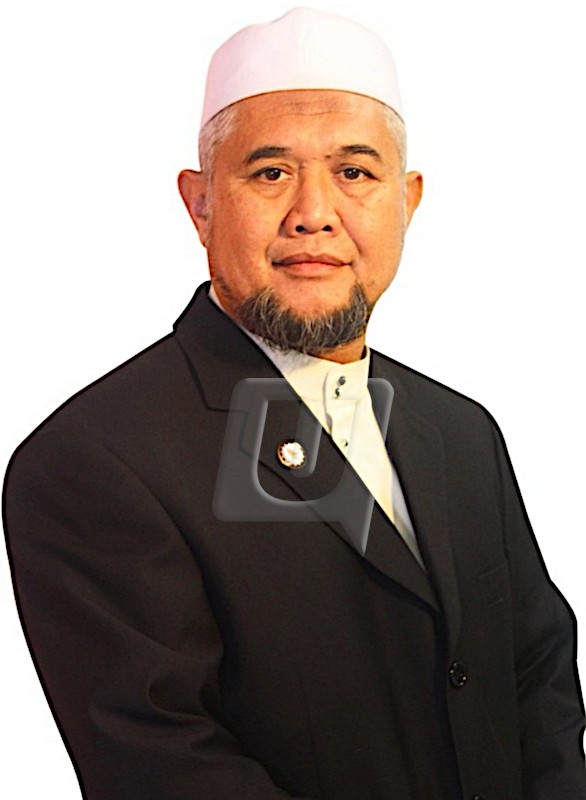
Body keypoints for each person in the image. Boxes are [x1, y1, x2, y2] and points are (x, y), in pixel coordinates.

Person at [4, 7, 585, 799]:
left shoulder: (460, 429)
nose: (314, 212)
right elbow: (166, 767)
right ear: (201, 204)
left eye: (356, 173)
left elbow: (538, 677)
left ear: (407, 200)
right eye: (271, 172)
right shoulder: (93, 461)